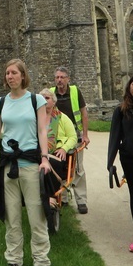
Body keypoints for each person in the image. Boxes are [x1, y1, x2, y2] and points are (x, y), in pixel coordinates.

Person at [0, 58, 51, 266]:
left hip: (30, 164)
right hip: (8, 166)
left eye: (13, 73)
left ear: (23, 75)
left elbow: (42, 130)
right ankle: (14, 261)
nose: (9, 76)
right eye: (7, 73)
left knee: (36, 216)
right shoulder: (0, 103)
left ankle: (41, 265)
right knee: (11, 217)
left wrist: (44, 158)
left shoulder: (36, 100)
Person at [106, 73, 133, 253]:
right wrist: (110, 162)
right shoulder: (121, 110)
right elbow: (115, 136)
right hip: (129, 157)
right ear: (128, 87)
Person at [51, 66, 90, 214]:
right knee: (60, 167)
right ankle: (64, 198)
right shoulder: (51, 93)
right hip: (58, 139)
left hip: (76, 135)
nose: (59, 80)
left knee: (78, 169)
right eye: (57, 78)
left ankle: (81, 201)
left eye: (62, 77)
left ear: (68, 79)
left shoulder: (75, 91)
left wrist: (85, 135)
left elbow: (83, 113)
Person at [39, 88, 77, 200]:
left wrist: (64, 149)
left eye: (47, 98)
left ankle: (51, 196)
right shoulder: (34, 118)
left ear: (54, 101)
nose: (44, 101)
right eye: (42, 98)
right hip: (38, 152)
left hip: (56, 153)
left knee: (53, 163)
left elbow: (73, 137)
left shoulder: (62, 118)